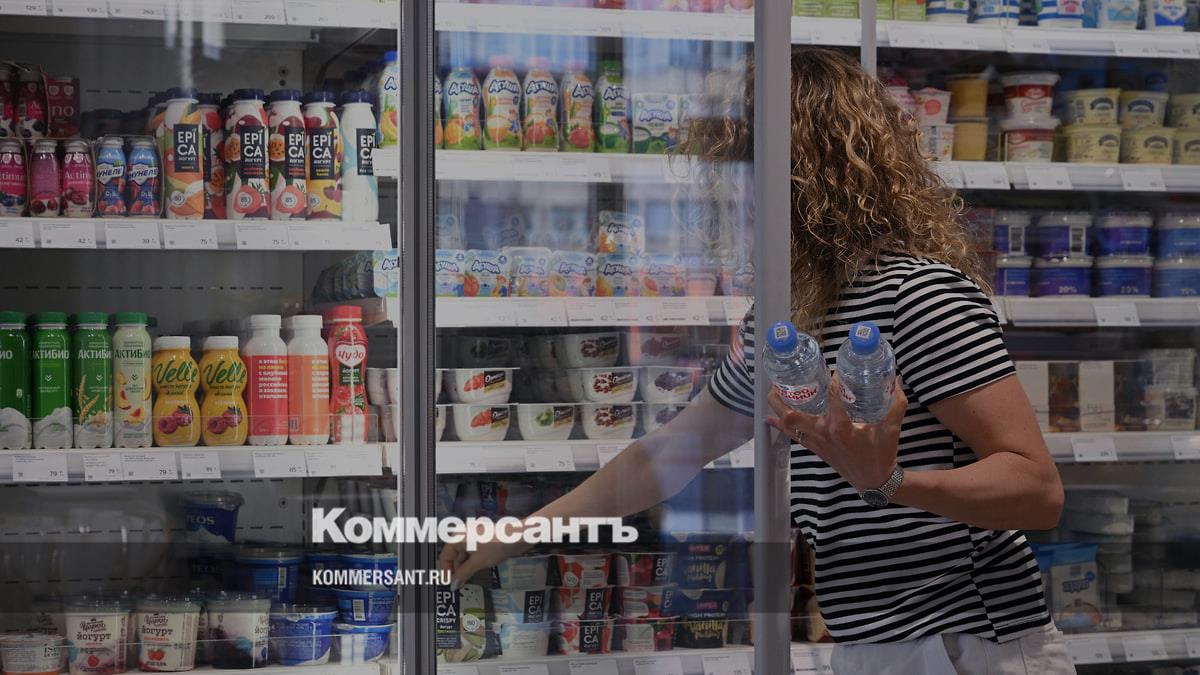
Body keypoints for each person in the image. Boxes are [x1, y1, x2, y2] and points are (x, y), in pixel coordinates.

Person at [440, 48, 1072, 674]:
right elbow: (671, 453)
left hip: (970, 641)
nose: (732, 202)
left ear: (808, 178)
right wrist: (519, 533)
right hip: (874, 644)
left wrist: (888, 481)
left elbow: (1037, 492)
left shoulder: (917, 294)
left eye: (744, 174)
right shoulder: (788, 314)